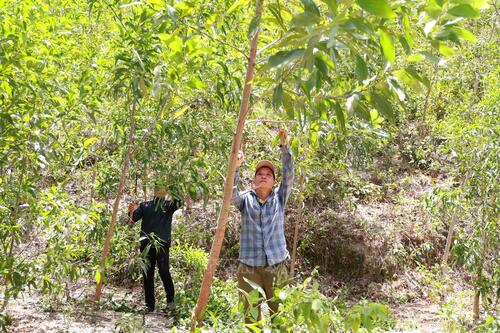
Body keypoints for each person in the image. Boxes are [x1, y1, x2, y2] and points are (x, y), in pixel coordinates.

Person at [232, 128, 294, 325]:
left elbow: (290, 175)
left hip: (277, 266)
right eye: (260, 174)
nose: (264, 176)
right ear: (253, 181)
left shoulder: (279, 198)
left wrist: (285, 148)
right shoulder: (245, 200)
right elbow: (230, 194)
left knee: (281, 318)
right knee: (251, 320)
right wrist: (235, 167)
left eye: (269, 174)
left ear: (275, 182)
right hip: (249, 269)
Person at [128, 184, 182, 313]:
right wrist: (131, 210)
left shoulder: (168, 206)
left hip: (162, 246)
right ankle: (149, 305)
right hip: (146, 245)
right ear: (155, 191)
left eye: (163, 189)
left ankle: (170, 303)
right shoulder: (145, 205)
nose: (160, 191)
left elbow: (180, 201)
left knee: (164, 272)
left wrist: (175, 182)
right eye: (158, 189)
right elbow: (131, 221)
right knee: (148, 275)